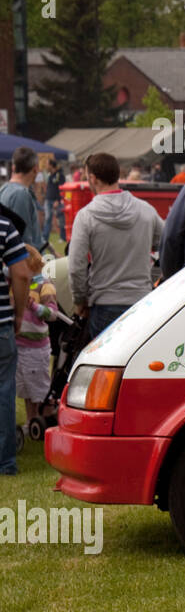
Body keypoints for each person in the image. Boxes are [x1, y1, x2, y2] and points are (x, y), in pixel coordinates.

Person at [69, 153, 165, 339]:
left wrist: (79, 299)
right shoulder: (145, 210)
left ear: (93, 178)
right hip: (141, 300)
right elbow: (168, 242)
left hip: (104, 302)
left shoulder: (86, 216)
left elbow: (76, 265)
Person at [0, 211, 31, 474]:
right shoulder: (4, 226)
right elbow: (21, 273)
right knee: (3, 392)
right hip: (1, 325)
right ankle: (5, 462)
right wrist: (19, 314)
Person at [16, 247, 58, 427]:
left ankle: (44, 422)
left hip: (36, 347)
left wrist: (33, 307)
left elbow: (52, 314)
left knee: (39, 388)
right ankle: (30, 421)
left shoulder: (43, 284)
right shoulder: (16, 284)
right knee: (25, 388)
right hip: (19, 344)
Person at [1, 147, 43, 250]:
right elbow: (22, 243)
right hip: (25, 262)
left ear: (13, 167)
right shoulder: (20, 195)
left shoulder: (4, 189)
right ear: (35, 169)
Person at [41, 157, 67, 247]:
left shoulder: (60, 175)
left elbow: (62, 189)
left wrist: (58, 200)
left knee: (61, 219)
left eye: (47, 164)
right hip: (48, 200)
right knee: (47, 219)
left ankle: (63, 237)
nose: (46, 166)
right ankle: (44, 239)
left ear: (51, 165)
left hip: (56, 201)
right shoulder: (49, 175)